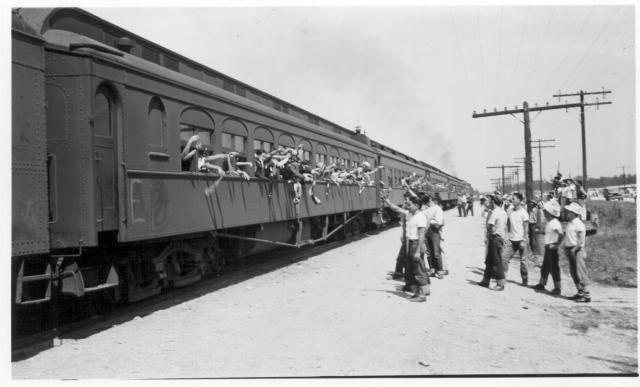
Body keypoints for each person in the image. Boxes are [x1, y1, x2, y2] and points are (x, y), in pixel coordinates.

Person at [384, 196, 429, 302]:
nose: (407, 206)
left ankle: (422, 295)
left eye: (410, 204)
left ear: (417, 205)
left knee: (419, 270)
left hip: (416, 244)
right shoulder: (410, 214)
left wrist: (418, 251)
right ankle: (416, 292)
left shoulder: (420, 216)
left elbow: (421, 235)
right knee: (411, 269)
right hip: (409, 243)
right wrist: (386, 201)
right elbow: (397, 209)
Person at [532, 201, 564, 294]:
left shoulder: (555, 223)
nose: (544, 212)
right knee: (545, 267)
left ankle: (557, 288)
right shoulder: (550, 222)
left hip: (552, 248)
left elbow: (561, 235)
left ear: (550, 212)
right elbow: (549, 233)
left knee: (554, 268)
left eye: (546, 211)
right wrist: (540, 232)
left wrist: (557, 244)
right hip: (548, 248)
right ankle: (542, 284)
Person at [478, 195, 508, 290]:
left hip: (494, 238)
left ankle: (501, 283)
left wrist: (488, 234)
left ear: (493, 202)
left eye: (490, 201)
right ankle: (485, 281)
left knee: (496, 261)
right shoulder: (503, 212)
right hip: (499, 237)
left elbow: (490, 225)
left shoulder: (494, 212)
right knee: (489, 260)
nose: (489, 203)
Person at [564, 202, 591, 303]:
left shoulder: (579, 224)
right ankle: (580, 292)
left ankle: (586, 294)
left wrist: (574, 249)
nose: (567, 213)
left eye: (569, 212)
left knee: (580, 272)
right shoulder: (570, 223)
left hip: (577, 250)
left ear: (574, 213)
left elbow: (580, 239)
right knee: (573, 272)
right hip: (570, 249)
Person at [504, 192, 530, 286]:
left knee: (523, 261)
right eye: (512, 198)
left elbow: (526, 227)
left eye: (514, 198)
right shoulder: (510, 210)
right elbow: (507, 223)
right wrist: (507, 236)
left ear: (520, 200)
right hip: (512, 239)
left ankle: (525, 280)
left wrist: (524, 239)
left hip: (521, 240)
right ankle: (503, 278)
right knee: (504, 257)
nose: (512, 200)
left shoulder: (524, 213)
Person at [423, 194, 445, 278]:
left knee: (436, 252)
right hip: (427, 230)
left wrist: (429, 221)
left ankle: (440, 270)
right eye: (425, 202)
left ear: (431, 199)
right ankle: (432, 269)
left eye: (427, 201)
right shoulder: (427, 209)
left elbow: (439, 221)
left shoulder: (437, 208)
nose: (427, 203)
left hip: (434, 230)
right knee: (428, 251)